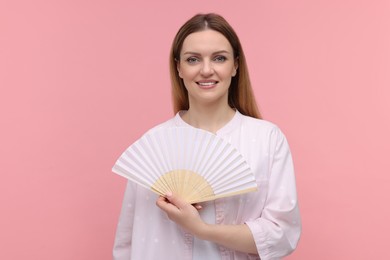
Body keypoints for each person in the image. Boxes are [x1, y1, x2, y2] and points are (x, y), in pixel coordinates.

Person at [113, 13, 301, 260]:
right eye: (193, 59)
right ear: (178, 67)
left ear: (235, 65)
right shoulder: (153, 145)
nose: (206, 70)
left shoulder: (267, 139)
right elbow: (129, 243)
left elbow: (282, 234)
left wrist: (201, 229)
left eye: (219, 58)